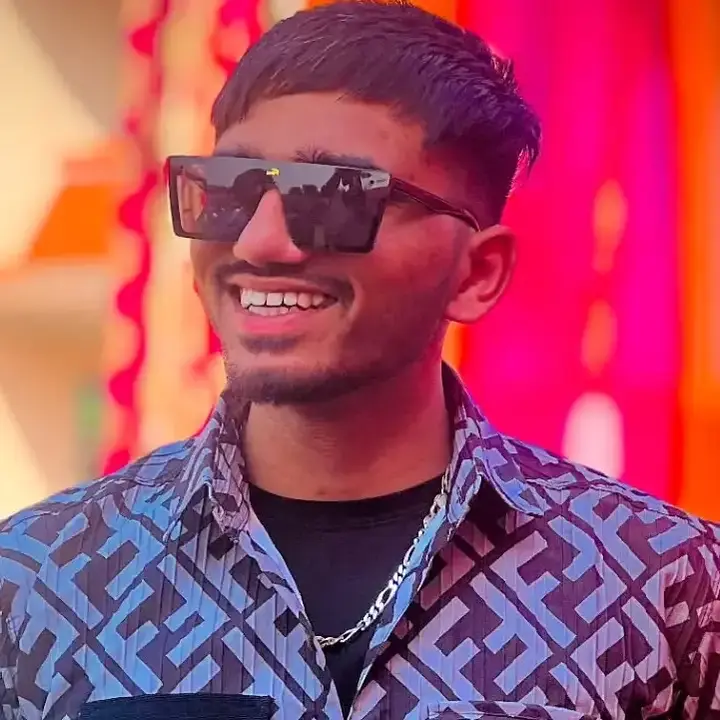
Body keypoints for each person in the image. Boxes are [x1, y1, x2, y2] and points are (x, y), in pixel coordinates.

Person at [1, 1, 719, 718]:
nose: (258, 243)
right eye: (229, 191)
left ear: (478, 273)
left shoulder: (664, 588)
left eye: (334, 197)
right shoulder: (39, 581)